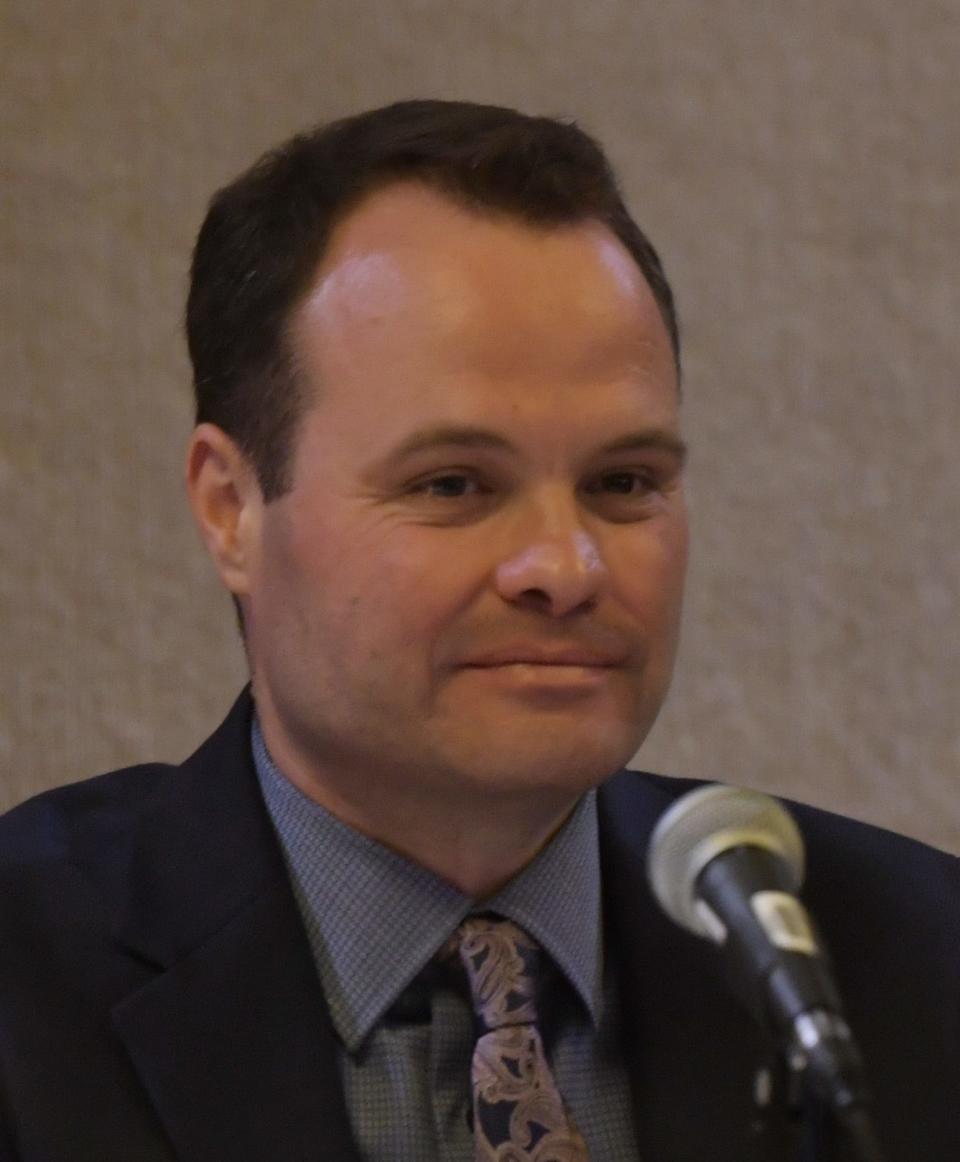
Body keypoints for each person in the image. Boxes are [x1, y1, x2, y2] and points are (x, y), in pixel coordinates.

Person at [0, 100, 957, 1162]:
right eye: (454, 483)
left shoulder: (915, 969)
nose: (567, 566)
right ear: (232, 508)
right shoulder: (27, 987)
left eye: (623, 482)